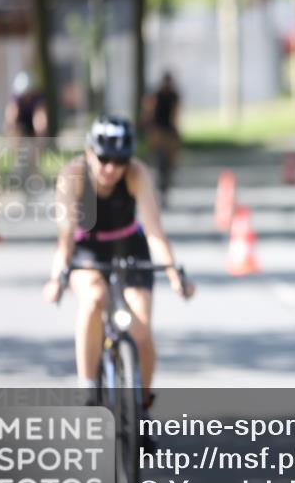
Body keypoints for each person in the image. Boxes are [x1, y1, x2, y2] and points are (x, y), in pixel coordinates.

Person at [42, 116, 194, 411]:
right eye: (104, 158)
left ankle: (143, 406)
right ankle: (87, 389)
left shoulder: (137, 174)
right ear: (89, 153)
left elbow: (154, 232)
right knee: (94, 298)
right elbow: (65, 239)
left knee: (141, 330)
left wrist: (175, 275)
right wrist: (55, 279)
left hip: (129, 247)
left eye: (120, 160)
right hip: (88, 250)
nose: (111, 168)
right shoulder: (72, 176)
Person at [142, 71, 182, 206]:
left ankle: (164, 189)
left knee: (168, 164)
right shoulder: (156, 96)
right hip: (158, 131)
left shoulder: (174, 96)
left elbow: (176, 114)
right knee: (158, 162)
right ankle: (158, 189)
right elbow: (149, 113)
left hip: (168, 132)